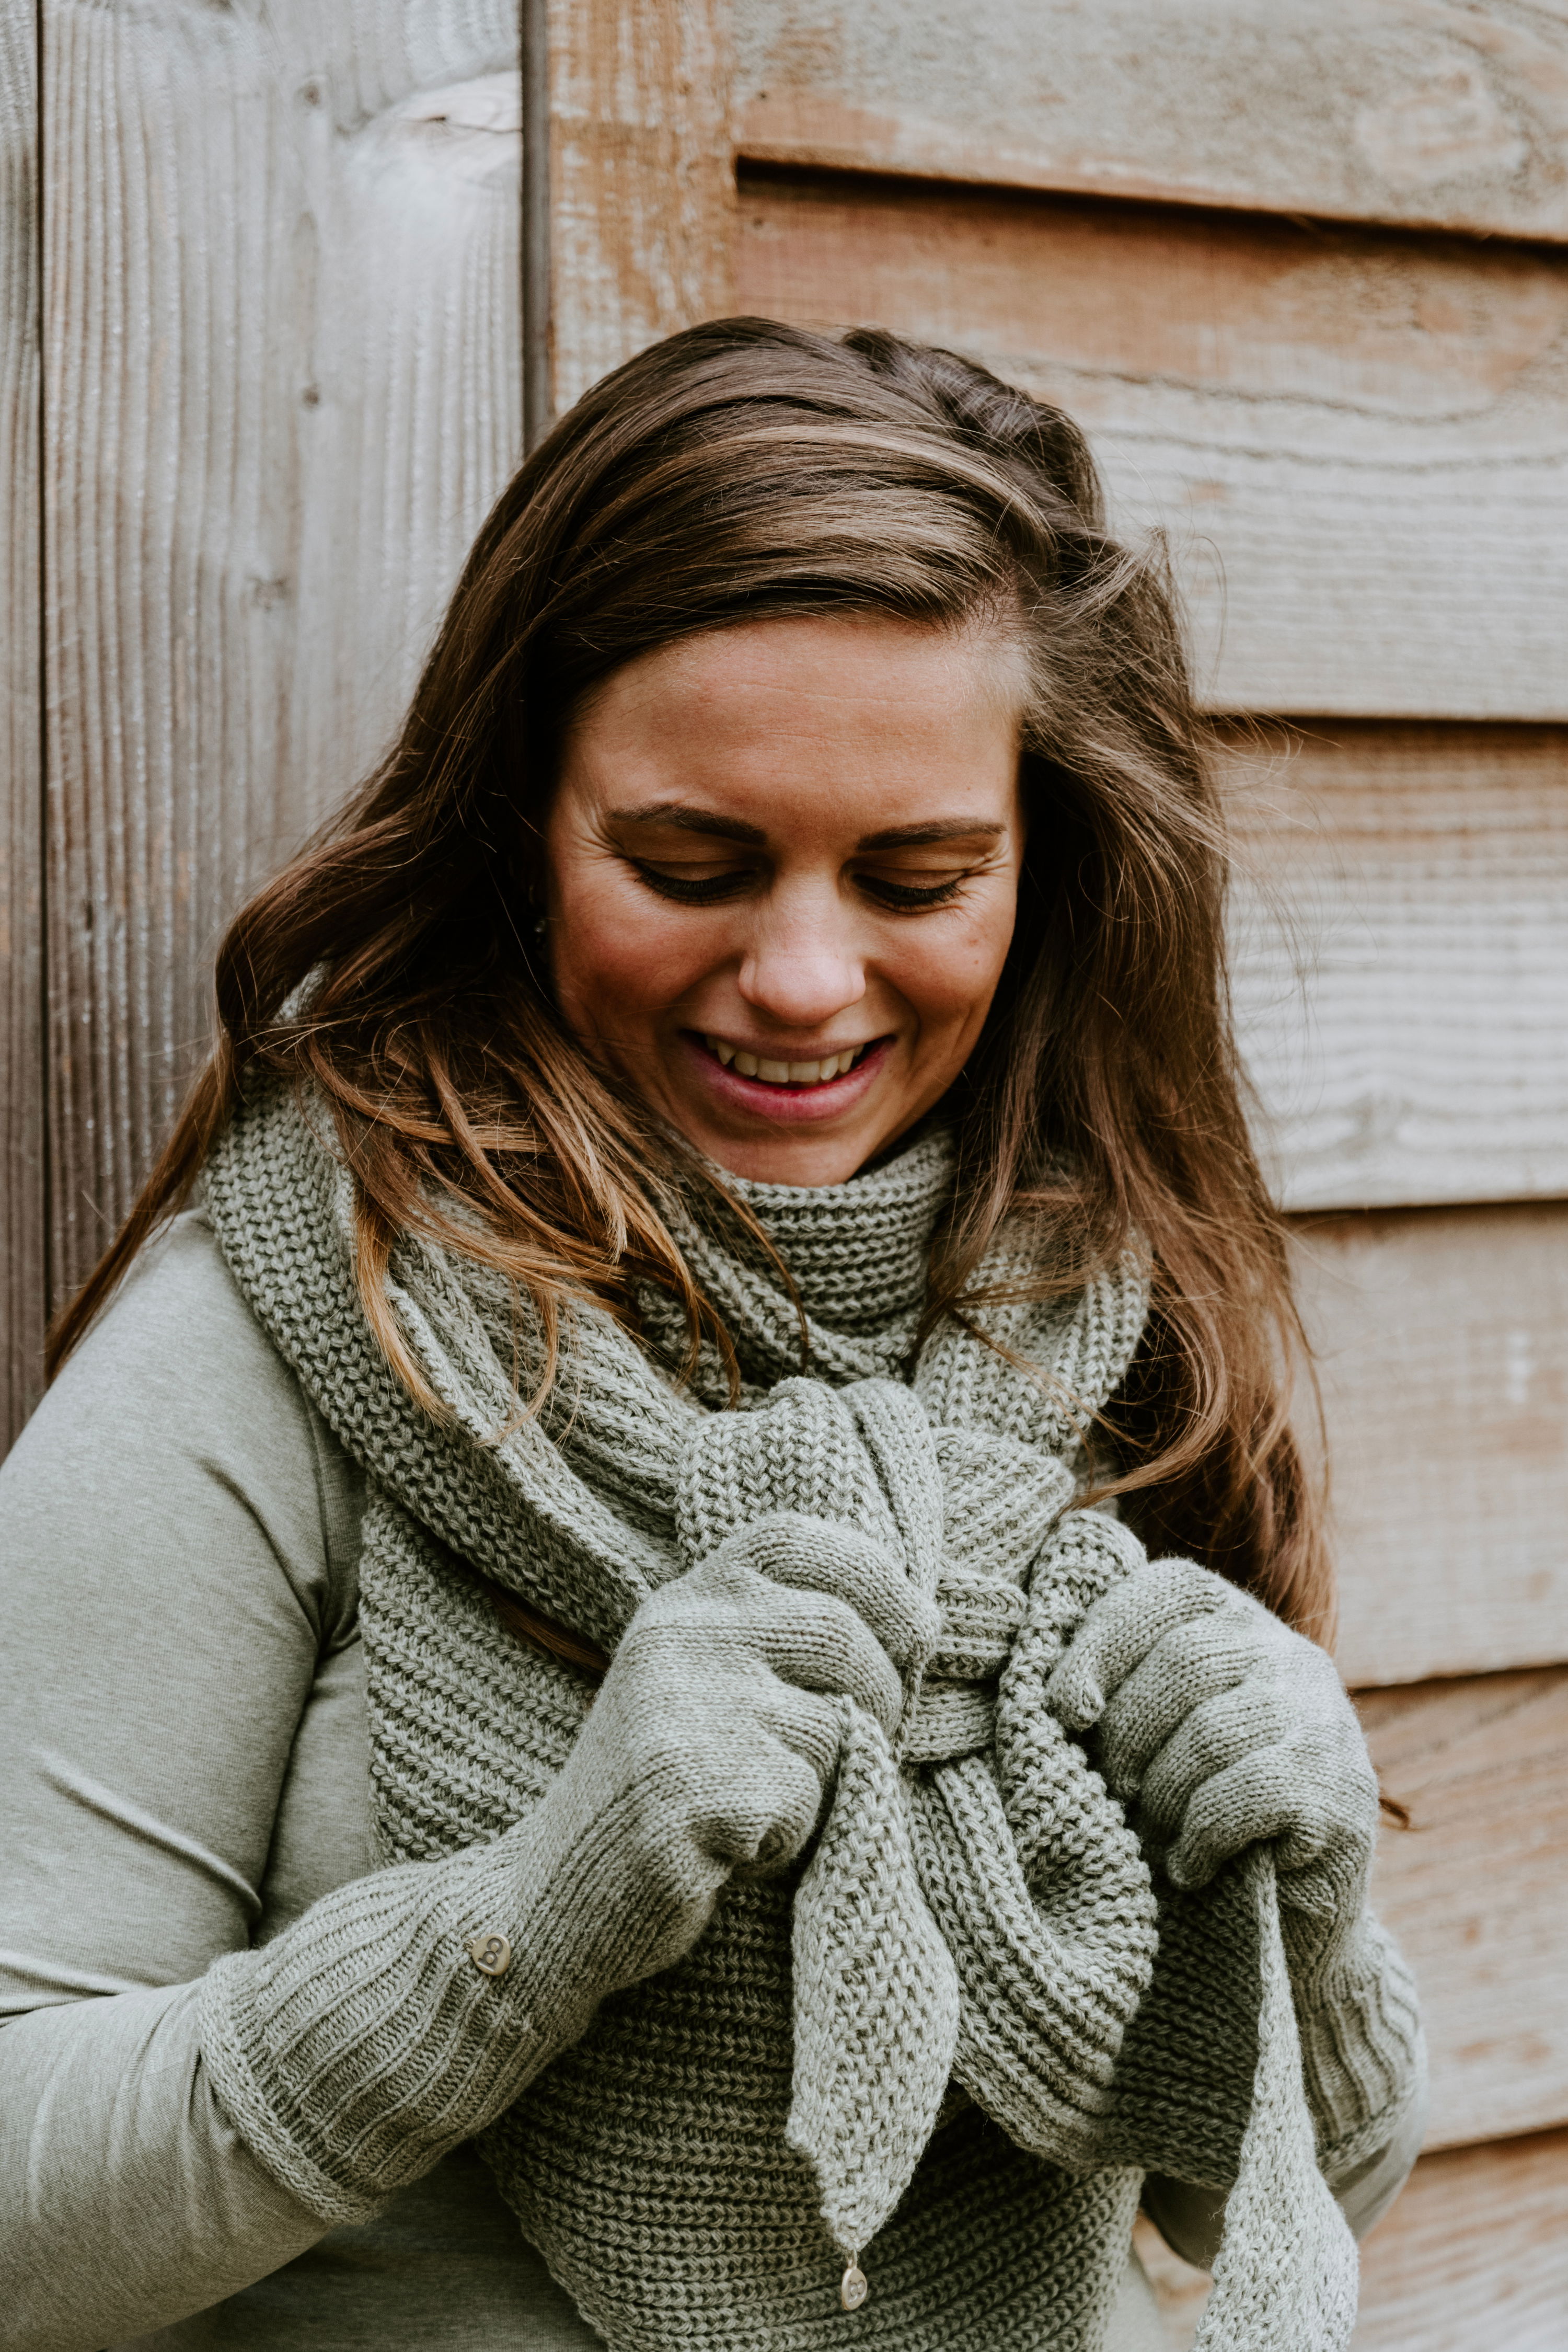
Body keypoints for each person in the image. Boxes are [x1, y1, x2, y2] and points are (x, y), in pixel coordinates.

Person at [0, 320, 1424, 2352]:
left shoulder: (1101, 1309)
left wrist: (1310, 1902)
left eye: (922, 875)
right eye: (691, 863)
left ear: (1047, 860)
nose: (804, 977)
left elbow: (1289, 2186)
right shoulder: (301, 1330)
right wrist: (527, 1917)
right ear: (519, 818)